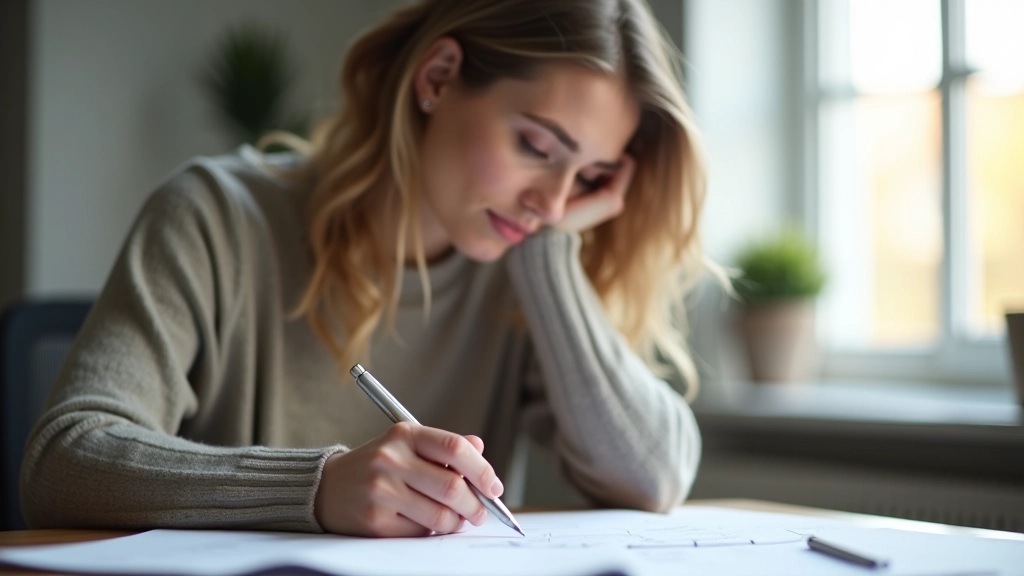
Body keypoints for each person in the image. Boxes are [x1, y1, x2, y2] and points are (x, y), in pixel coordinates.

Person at [21, 0, 711, 537]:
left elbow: (654, 478)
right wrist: (315, 488)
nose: (555, 202)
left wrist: (548, 251)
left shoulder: (518, 263)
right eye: (535, 145)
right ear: (438, 78)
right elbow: (64, 461)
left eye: (588, 175)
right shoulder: (214, 216)